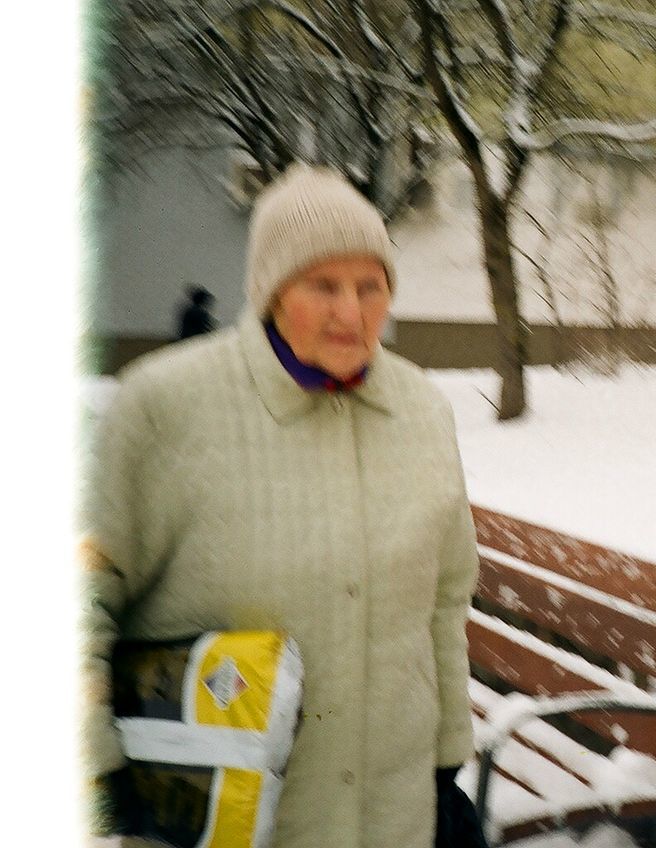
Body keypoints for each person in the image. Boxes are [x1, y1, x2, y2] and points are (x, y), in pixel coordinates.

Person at [84, 163, 484, 848]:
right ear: (271, 293)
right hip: (223, 824)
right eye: (322, 285)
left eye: (371, 285)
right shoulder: (163, 408)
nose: (352, 313)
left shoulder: (422, 411)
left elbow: (446, 600)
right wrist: (96, 771)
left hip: (394, 818)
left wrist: (446, 764)